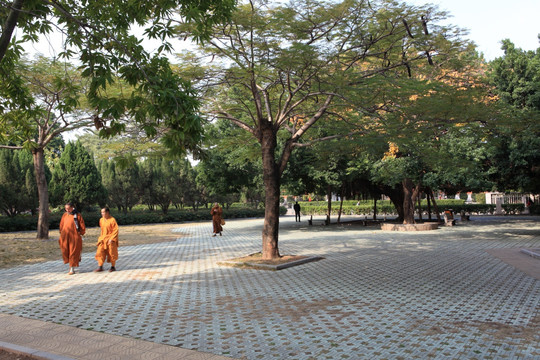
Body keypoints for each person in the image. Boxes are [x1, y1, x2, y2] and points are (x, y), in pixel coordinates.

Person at [59, 202, 86, 275]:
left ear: (72, 207)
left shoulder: (77, 215)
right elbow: (61, 225)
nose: (67, 210)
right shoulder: (64, 215)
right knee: (65, 251)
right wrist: (61, 232)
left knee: (73, 252)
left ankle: (72, 268)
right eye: (66, 209)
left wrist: (81, 233)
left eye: (68, 208)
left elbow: (82, 225)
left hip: (74, 236)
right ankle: (70, 264)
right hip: (65, 236)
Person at [94, 207, 119, 273]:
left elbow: (116, 230)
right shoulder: (101, 220)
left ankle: (113, 266)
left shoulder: (112, 220)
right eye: (101, 212)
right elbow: (102, 230)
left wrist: (112, 239)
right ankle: (100, 266)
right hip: (103, 238)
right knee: (100, 252)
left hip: (110, 239)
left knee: (112, 252)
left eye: (103, 212)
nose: (102, 214)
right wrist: (100, 238)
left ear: (107, 212)